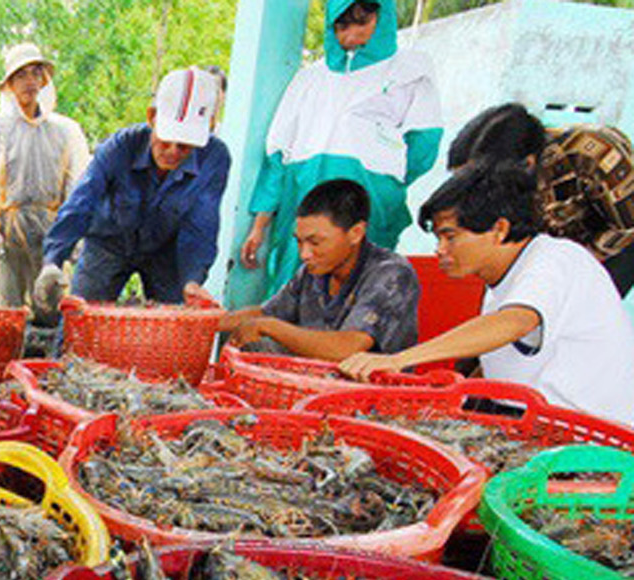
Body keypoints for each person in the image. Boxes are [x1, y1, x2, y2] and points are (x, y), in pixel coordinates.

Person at [340, 162, 634, 425]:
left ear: (499, 229)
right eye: (438, 238)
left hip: (585, 437)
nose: (439, 250)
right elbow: (503, 363)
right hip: (531, 422)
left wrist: (397, 359)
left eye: (450, 237)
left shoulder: (555, 259)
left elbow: (515, 322)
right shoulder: (503, 282)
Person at [240, 0, 443, 299]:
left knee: (362, 291)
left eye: (362, 22)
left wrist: (383, 182)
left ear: (382, 16)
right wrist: (259, 226)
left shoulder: (409, 71)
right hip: (303, 196)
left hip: (370, 201)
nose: (351, 35)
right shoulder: (310, 78)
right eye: (342, 25)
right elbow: (278, 157)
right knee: (294, 289)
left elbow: (423, 145)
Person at [32, 68, 230, 316]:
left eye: (184, 146)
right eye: (166, 140)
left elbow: (201, 226)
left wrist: (192, 280)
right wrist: (53, 260)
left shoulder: (215, 159)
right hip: (109, 244)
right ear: (151, 117)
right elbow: (81, 203)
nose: (172, 152)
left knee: (171, 328)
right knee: (79, 322)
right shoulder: (120, 147)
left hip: (166, 253)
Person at [214, 179, 419, 361]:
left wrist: (269, 326)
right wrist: (203, 319)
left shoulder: (391, 274)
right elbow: (265, 312)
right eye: (300, 242)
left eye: (315, 242)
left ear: (356, 233)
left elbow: (349, 348)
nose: (304, 254)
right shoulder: (313, 272)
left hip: (368, 394)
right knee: (250, 344)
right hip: (315, 377)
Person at [447, 102, 634, 297]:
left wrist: (573, 265)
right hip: (556, 243)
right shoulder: (493, 179)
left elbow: (627, 228)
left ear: (527, 164)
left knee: (584, 308)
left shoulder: (592, 152)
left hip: (620, 235)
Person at [0, 43, 90, 308]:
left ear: (44, 80)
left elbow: (76, 182)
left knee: (51, 306)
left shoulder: (62, 131)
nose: (30, 82)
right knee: (6, 310)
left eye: (35, 73)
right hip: (7, 229)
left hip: (49, 230)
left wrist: (72, 233)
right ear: (10, 84)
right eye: (21, 75)